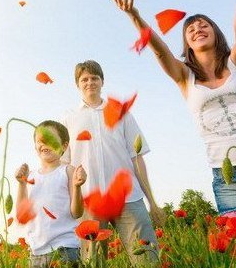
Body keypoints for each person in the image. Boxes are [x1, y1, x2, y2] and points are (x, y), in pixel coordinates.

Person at [111, 0, 236, 247]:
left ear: (216, 32)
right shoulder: (184, 77)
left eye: (204, 25)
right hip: (228, 175)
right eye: (190, 28)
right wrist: (134, 16)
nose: (197, 28)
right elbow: (160, 51)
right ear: (186, 43)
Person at [61, 60, 164, 263]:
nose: (90, 82)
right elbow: (66, 166)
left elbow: (137, 158)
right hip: (89, 201)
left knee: (147, 258)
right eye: (84, 79)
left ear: (102, 81)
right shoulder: (68, 119)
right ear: (77, 84)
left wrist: (152, 201)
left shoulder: (121, 113)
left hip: (129, 198)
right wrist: (72, 205)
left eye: (94, 78)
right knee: (93, 262)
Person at [15, 120, 87, 268]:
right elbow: (22, 214)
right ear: (35, 147)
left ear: (64, 146)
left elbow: (77, 213)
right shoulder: (31, 176)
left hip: (65, 248)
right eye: (40, 140)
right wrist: (21, 184)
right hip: (36, 252)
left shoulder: (68, 171)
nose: (44, 143)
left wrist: (77, 187)